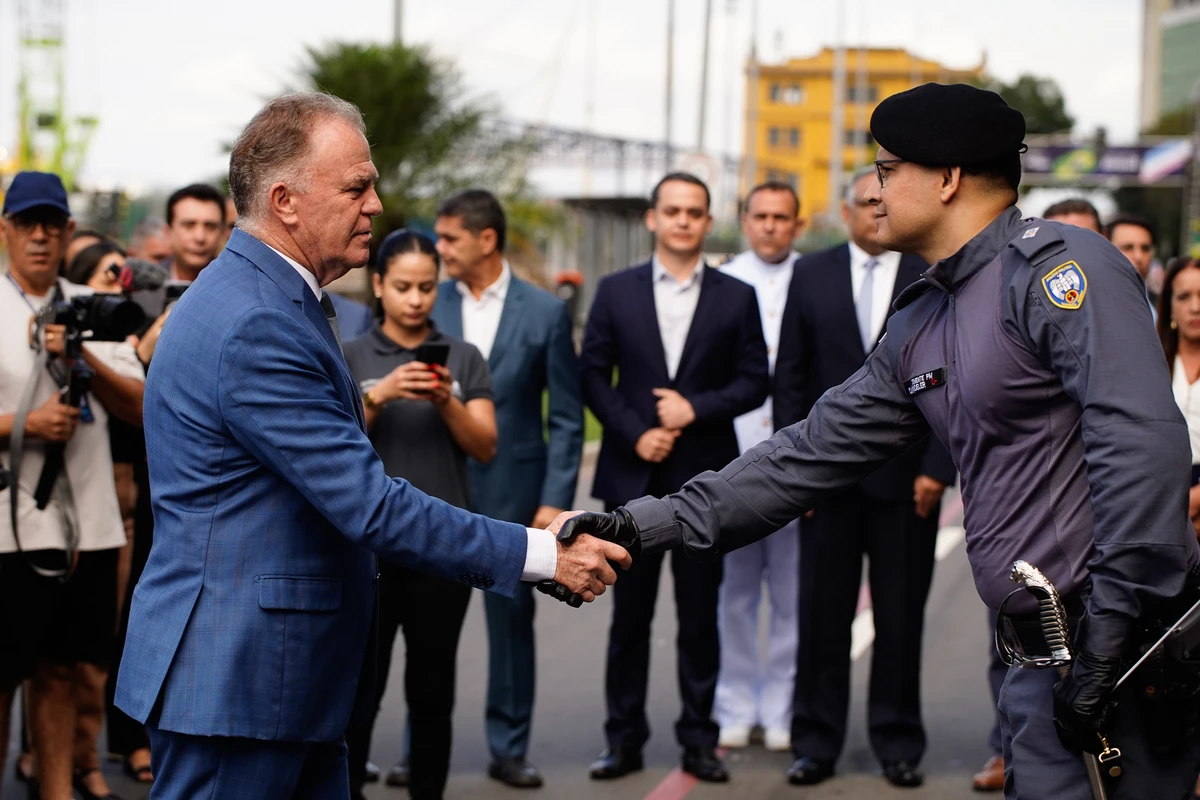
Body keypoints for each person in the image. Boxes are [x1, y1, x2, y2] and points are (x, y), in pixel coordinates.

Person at [553, 83, 1200, 798]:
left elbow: (1139, 447)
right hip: (1036, 666)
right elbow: (805, 455)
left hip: (1124, 657)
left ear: (949, 178)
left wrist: (1111, 635)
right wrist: (638, 525)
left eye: (889, 170)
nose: (874, 189)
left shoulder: (1058, 273)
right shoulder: (925, 315)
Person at [112, 92, 625, 800]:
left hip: (282, 685)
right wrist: (544, 553)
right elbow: (370, 505)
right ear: (286, 200)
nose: (377, 205)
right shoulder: (257, 321)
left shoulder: (273, 299)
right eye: (357, 186)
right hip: (240, 686)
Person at [580, 172, 769, 784]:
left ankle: (699, 741)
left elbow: (754, 380)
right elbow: (592, 375)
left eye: (695, 211)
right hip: (630, 479)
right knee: (628, 621)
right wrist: (636, 430)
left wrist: (696, 408)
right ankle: (623, 740)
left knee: (699, 618)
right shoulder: (614, 291)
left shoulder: (737, 296)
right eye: (673, 210)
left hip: (704, 483)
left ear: (708, 222)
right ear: (652, 219)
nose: (684, 220)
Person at [773, 165, 957, 789]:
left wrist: (938, 468)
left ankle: (898, 741)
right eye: (866, 204)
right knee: (822, 618)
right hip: (827, 485)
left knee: (901, 619)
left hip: (909, 486)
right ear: (845, 211)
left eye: (885, 202)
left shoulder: (932, 272)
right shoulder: (811, 273)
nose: (877, 213)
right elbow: (791, 381)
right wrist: (797, 479)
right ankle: (815, 742)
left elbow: (954, 377)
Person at [431, 189, 584, 789]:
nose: (440, 250)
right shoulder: (429, 303)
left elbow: (567, 418)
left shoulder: (544, 312)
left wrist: (555, 497)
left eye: (450, 239)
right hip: (436, 489)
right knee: (428, 629)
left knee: (511, 626)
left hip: (519, 497)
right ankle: (424, 749)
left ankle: (510, 746)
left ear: (485, 239)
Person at [0, 171, 146, 800]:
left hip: (85, 523)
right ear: (5, 230)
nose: (39, 235)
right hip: (8, 528)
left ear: (67, 231)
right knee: (1, 676)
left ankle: (56, 789)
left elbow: (141, 407)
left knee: (62, 670)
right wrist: (24, 424)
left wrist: (80, 354)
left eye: (50, 224)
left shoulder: (91, 305)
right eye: (26, 223)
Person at [343, 229, 497, 800]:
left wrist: (444, 398)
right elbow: (327, 446)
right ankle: (346, 789)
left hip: (444, 548)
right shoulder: (350, 355)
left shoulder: (462, 357)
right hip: (368, 551)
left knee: (433, 687)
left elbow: (486, 445)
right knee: (360, 687)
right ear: (378, 285)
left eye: (427, 288)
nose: (415, 299)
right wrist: (379, 396)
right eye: (403, 286)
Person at [713, 180, 803, 752]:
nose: (770, 225)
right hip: (732, 461)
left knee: (792, 594)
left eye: (782, 217)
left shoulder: (813, 280)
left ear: (797, 224)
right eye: (761, 215)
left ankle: (781, 708)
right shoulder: (723, 284)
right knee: (736, 595)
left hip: (799, 459)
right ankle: (735, 704)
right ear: (745, 221)